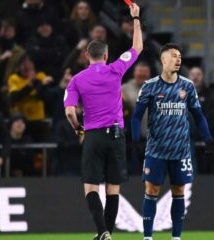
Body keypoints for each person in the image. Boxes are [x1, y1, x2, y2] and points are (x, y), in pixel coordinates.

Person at [64, 3, 142, 240]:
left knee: (91, 187)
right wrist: (136, 17)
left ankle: (102, 233)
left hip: (94, 135)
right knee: (113, 189)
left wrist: (79, 129)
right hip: (117, 135)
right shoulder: (116, 69)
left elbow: (69, 111)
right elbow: (138, 46)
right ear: (106, 56)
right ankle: (108, 234)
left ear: (87, 55)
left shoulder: (76, 80)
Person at [131, 43, 214, 240]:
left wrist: (208, 138)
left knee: (178, 190)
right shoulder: (150, 86)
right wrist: (136, 140)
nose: (178, 59)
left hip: (181, 150)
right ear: (163, 60)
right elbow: (136, 116)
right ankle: (147, 237)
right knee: (151, 190)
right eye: (173, 56)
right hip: (156, 150)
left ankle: (176, 237)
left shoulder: (187, 86)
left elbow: (198, 115)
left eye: (179, 56)